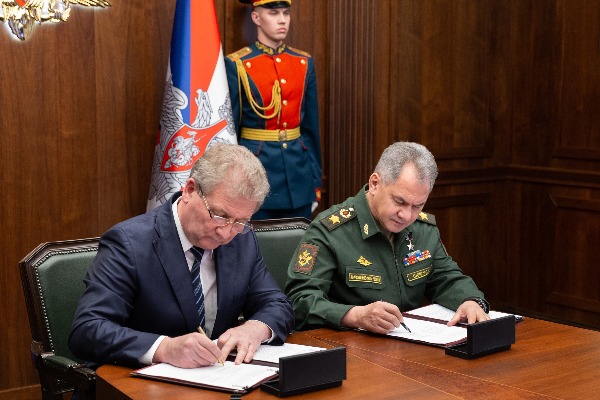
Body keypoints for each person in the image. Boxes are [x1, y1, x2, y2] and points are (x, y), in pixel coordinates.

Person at [69, 143, 294, 369]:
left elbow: (277, 304)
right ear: (189, 190)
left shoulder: (242, 239)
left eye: (240, 221)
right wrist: (164, 348)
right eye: (219, 215)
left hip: (218, 378)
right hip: (137, 379)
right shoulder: (129, 243)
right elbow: (87, 330)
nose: (226, 233)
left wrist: (256, 328)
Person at [285, 142, 490, 334]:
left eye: (417, 206)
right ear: (375, 183)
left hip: (411, 343)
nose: (407, 215)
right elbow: (299, 301)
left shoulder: (423, 229)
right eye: (399, 201)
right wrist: (354, 316)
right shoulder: (330, 230)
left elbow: (446, 278)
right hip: (350, 346)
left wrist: (471, 301)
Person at [225, 0, 322, 220]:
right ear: (256, 18)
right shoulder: (238, 64)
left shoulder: (303, 62)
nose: (282, 20)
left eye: (286, 13)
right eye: (274, 13)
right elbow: (231, 132)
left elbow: (311, 129)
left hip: (299, 177)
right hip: (256, 174)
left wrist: (315, 181)